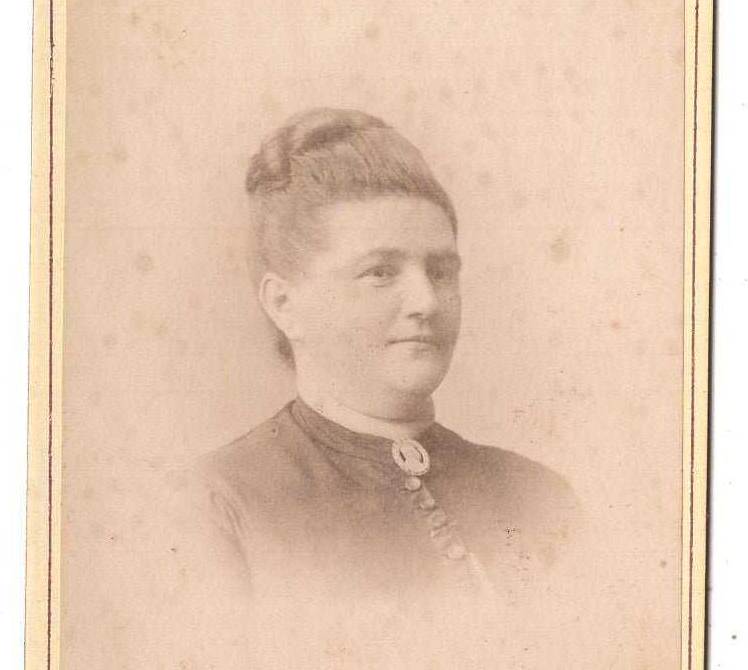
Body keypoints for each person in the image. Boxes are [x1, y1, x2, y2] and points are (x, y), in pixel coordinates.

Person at [188, 107, 579, 608]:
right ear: (285, 305)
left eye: (441, 271)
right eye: (380, 272)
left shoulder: (538, 496)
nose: (427, 302)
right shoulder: (215, 509)